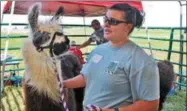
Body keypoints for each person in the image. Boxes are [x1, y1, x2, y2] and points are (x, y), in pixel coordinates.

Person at [64, 3, 160, 111]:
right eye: (105, 19)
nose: (105, 24)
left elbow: (151, 105)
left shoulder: (141, 60)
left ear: (127, 27)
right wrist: (63, 84)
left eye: (113, 21)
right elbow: (87, 77)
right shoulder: (98, 50)